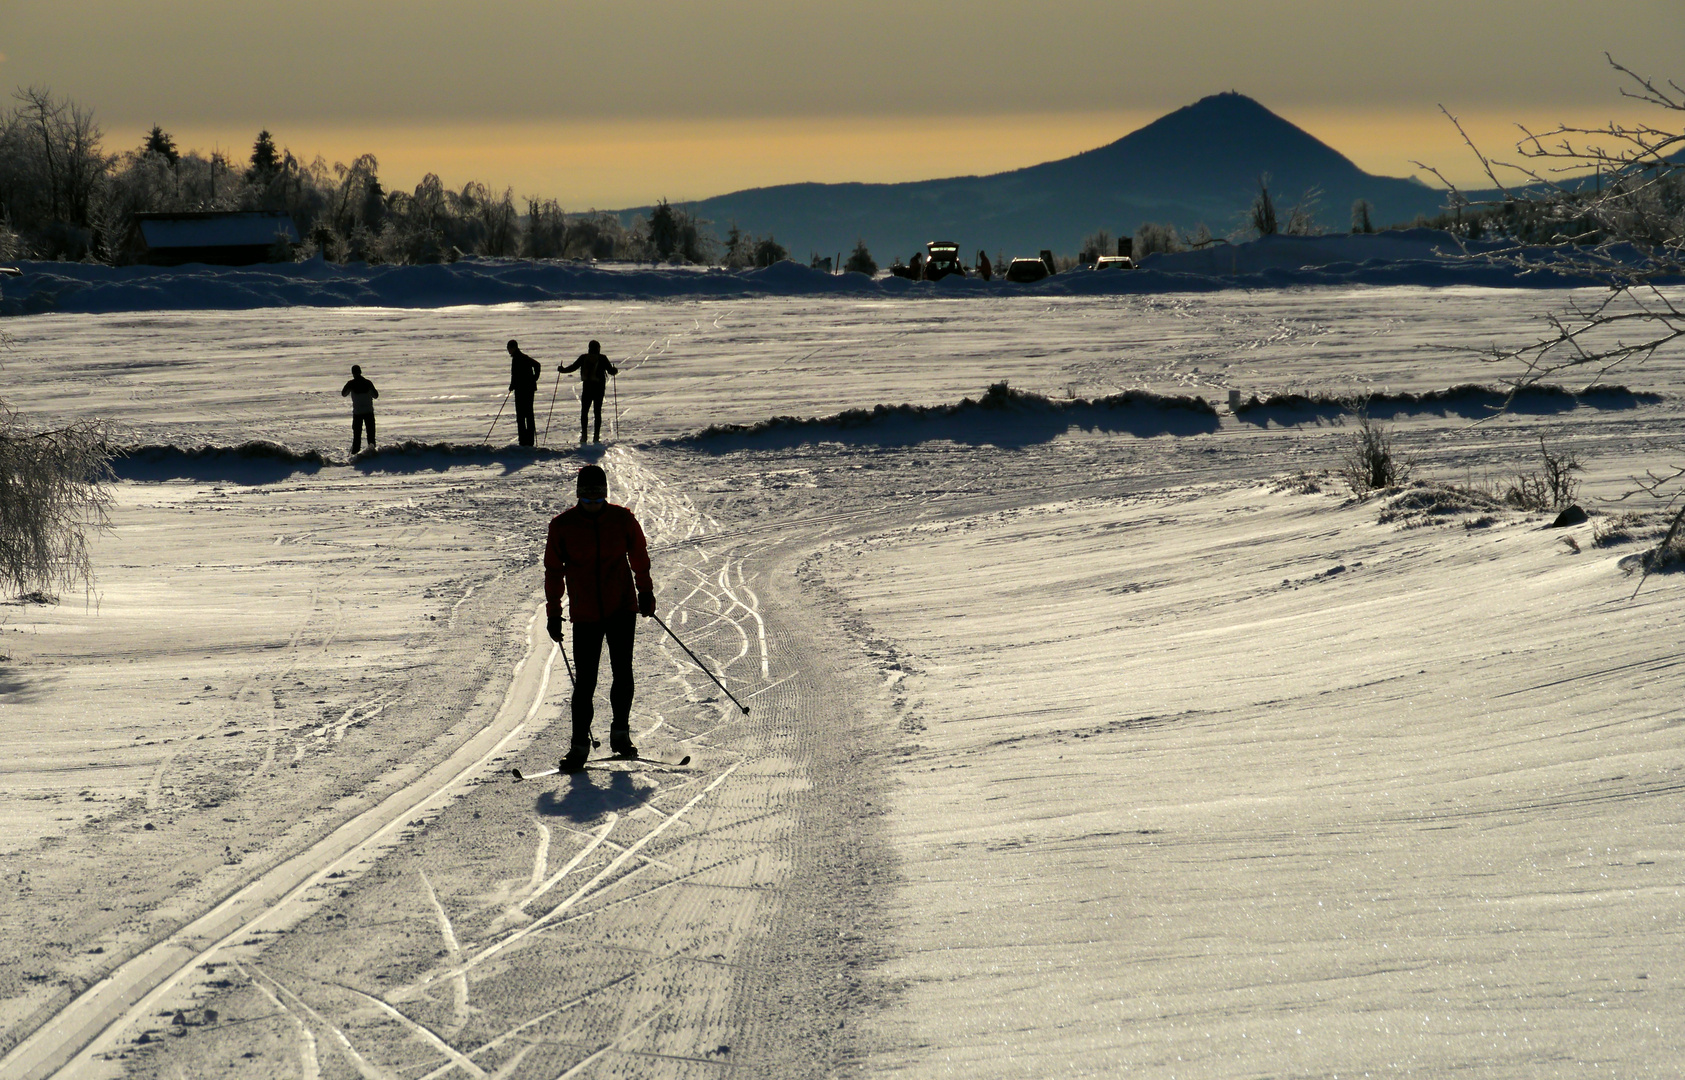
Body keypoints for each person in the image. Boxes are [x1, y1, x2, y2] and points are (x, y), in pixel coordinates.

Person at [544, 464, 656, 770]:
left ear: (605, 494)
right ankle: (579, 746)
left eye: (598, 497)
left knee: (623, 672)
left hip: (622, 608)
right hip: (585, 615)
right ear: (578, 494)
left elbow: (639, 556)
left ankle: (621, 735)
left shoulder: (622, 519)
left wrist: (645, 591)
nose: (593, 503)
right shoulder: (562, 526)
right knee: (586, 682)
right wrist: (554, 612)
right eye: (587, 497)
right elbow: (553, 572)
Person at [560, 339, 618, 445]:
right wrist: (615, 370)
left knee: (584, 412)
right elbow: (611, 371)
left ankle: (584, 436)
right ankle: (596, 436)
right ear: (598, 348)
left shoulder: (583, 357)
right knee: (597, 412)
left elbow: (573, 367)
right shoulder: (602, 358)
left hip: (587, 387)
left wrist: (562, 370)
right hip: (599, 388)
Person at [506, 339, 542, 446]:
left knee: (522, 416)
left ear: (513, 348)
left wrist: (534, 378)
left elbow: (536, 365)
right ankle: (528, 440)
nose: (508, 351)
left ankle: (524, 440)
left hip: (523, 391)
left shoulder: (519, 358)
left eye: (509, 349)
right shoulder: (521, 357)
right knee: (527, 414)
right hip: (526, 389)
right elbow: (516, 375)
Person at [340, 364, 378, 453]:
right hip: (368, 412)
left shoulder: (351, 383)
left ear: (352, 373)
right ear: (360, 372)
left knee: (357, 437)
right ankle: (373, 455)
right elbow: (375, 395)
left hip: (357, 413)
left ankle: (355, 456)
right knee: (371, 436)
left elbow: (343, 394)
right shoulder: (368, 382)